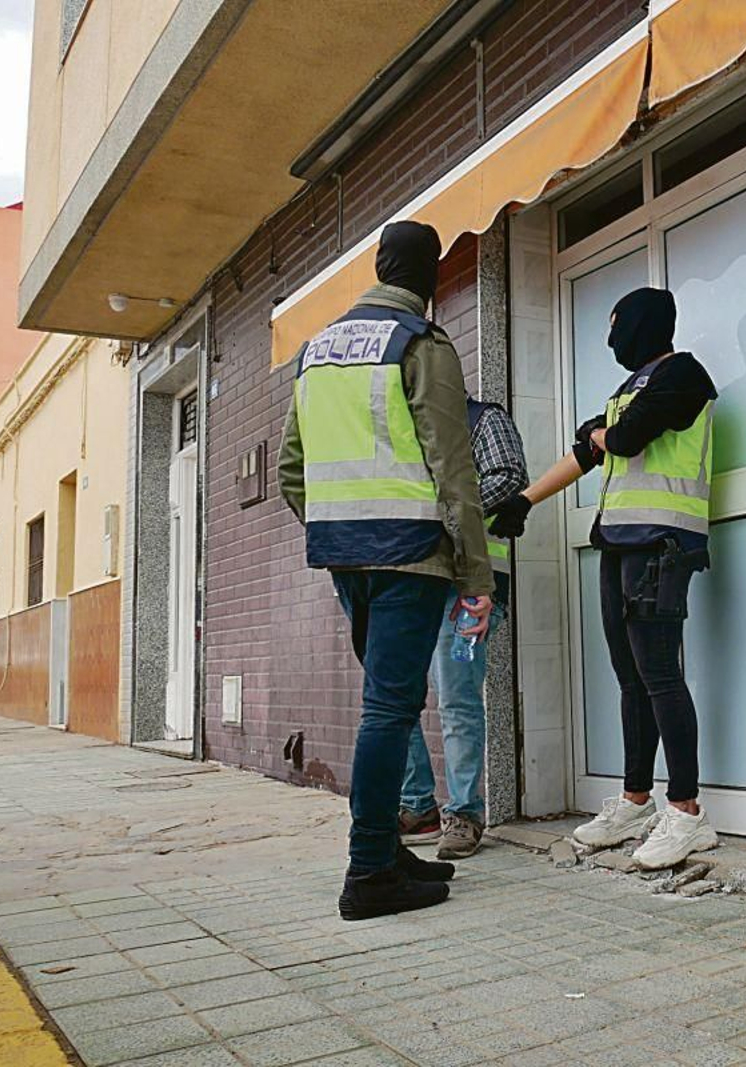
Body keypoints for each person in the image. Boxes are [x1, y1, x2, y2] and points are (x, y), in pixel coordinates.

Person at [278, 220, 494, 920]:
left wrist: (340, 525)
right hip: (411, 554)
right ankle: (369, 869)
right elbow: (452, 464)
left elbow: (290, 468)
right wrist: (477, 575)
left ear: (378, 267)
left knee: (388, 701)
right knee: (389, 709)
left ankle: (388, 850)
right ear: (428, 281)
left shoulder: (317, 349)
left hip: (347, 557)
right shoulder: (420, 344)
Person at [494, 287, 718, 869]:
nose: (611, 341)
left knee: (661, 676)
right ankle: (636, 801)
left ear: (642, 326)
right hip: (619, 545)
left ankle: (688, 812)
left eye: (617, 327)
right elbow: (587, 453)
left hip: (663, 545)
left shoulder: (684, 375)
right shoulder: (629, 389)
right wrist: (524, 499)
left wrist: (600, 434)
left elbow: (620, 440)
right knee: (630, 680)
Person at [398, 395, 526, 859]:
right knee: (397, 698)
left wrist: (442, 510)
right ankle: (417, 806)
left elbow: (509, 478)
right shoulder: (403, 429)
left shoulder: (481, 419)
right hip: (414, 582)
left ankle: (465, 813)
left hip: (469, 587)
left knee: (457, 699)